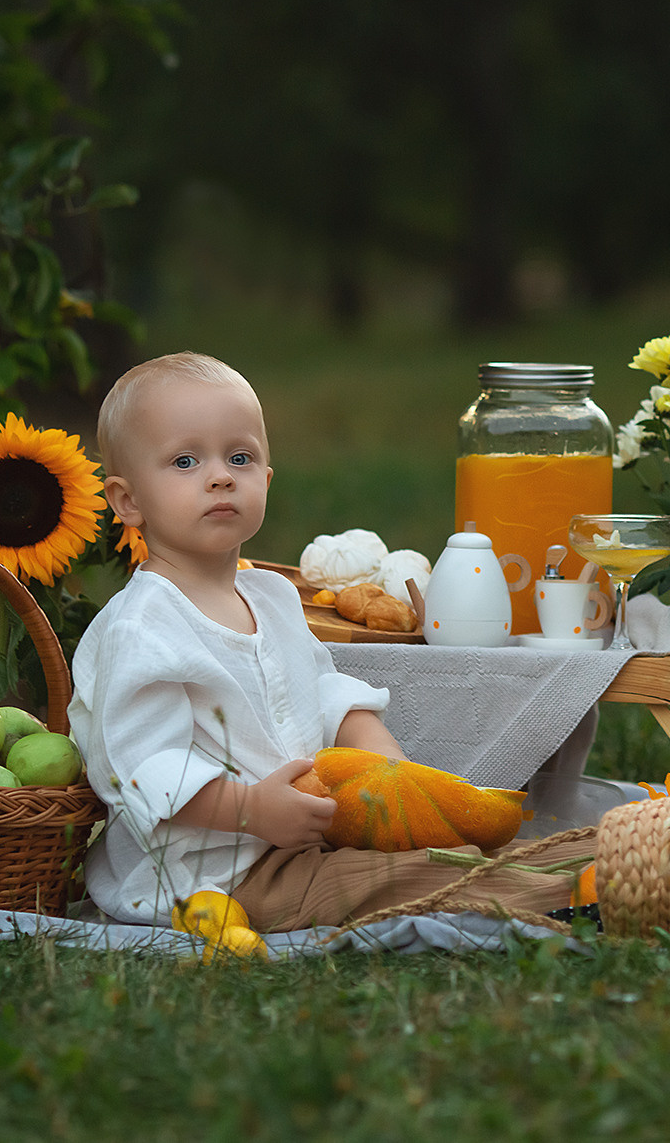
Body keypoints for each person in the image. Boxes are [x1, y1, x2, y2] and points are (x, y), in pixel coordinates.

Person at [70, 351, 580, 932]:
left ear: (265, 479)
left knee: (433, 852)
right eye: (185, 461)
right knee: (400, 881)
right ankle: (573, 891)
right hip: (214, 873)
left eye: (240, 457)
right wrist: (252, 811)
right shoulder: (141, 629)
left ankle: (583, 860)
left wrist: (380, 760)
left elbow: (323, 691)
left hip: (308, 834)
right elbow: (143, 767)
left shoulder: (273, 597)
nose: (220, 475)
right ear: (128, 501)